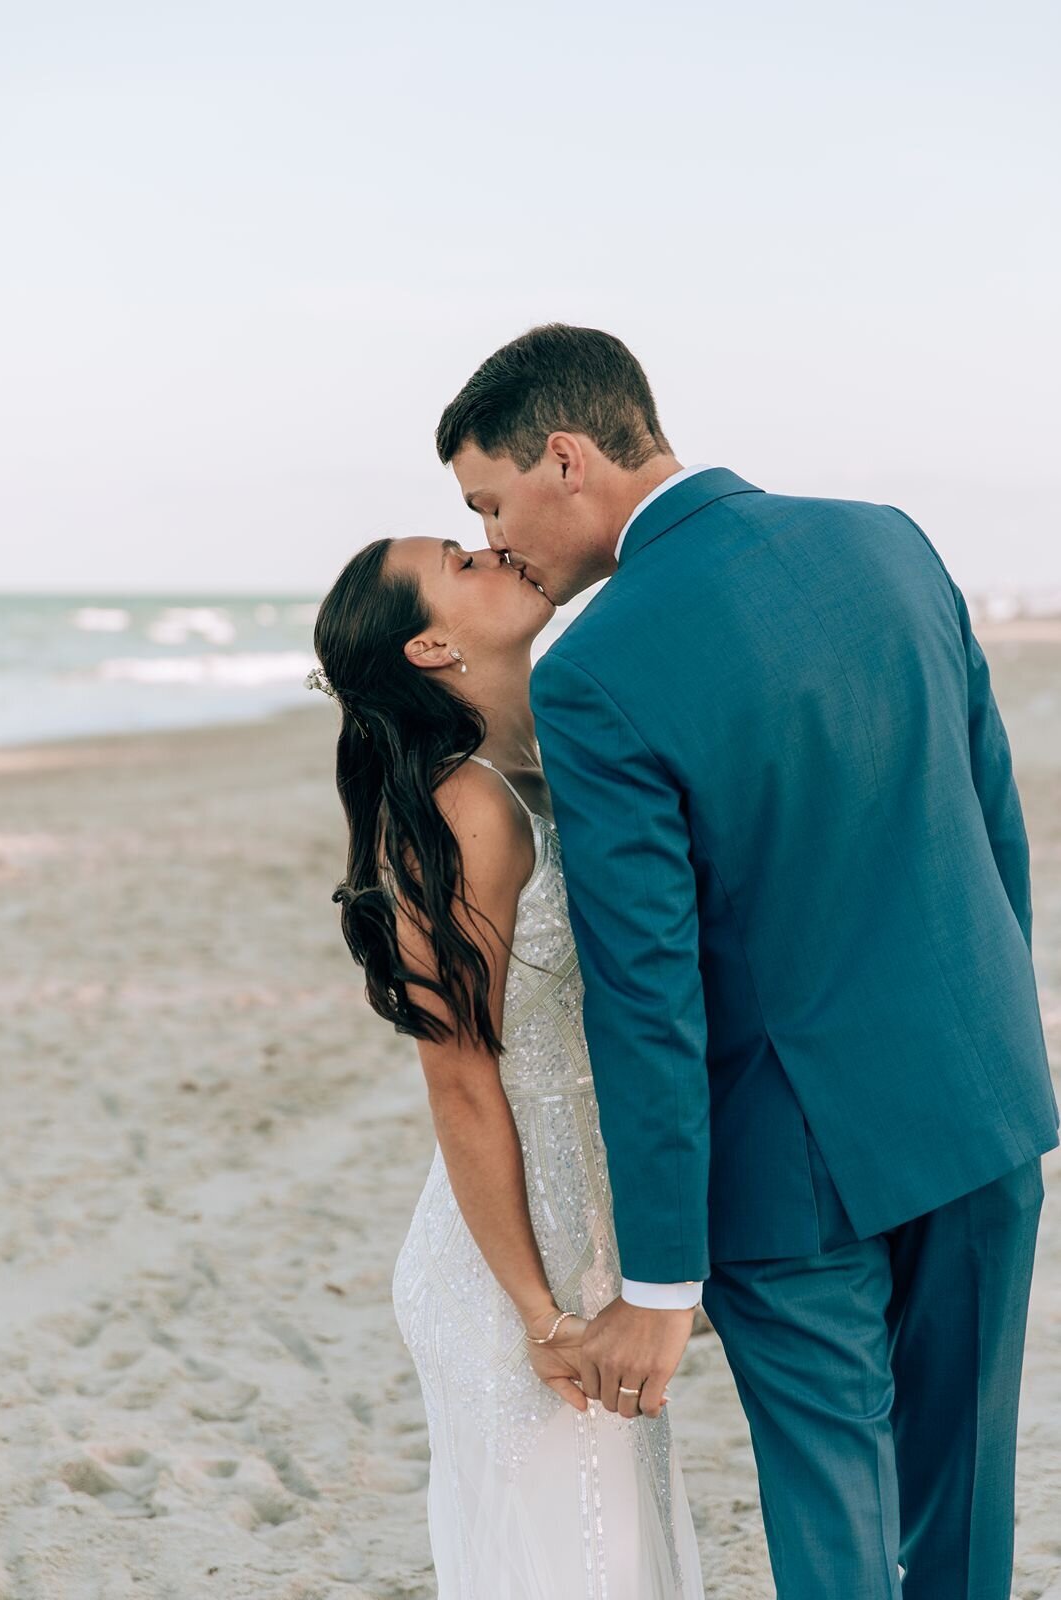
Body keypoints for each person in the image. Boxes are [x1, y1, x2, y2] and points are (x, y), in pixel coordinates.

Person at [428, 321, 1059, 1600]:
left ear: (565, 459)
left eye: (491, 503)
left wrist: (661, 1276)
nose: (498, 542)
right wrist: (991, 1044)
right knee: (963, 1507)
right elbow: (992, 827)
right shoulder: (887, 537)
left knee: (833, 1525)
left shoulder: (594, 669)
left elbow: (644, 987)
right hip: (978, 1104)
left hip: (794, 1167)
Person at [310, 527, 704, 1597]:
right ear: (433, 647)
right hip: (511, 1275)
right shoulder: (466, 804)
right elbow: (459, 1077)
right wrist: (541, 1314)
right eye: (460, 560)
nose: (494, 548)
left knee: (622, 1551)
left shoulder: (553, 758)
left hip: (591, 1244)